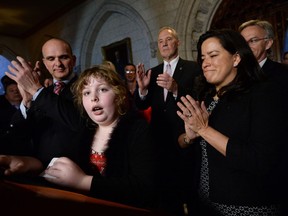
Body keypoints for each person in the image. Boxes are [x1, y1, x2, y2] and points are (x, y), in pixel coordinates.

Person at [0, 65, 158, 209]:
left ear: (118, 95)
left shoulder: (137, 129)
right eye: (86, 93)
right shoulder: (84, 129)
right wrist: (27, 164)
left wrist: (82, 181)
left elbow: (144, 187)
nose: (93, 97)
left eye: (102, 89)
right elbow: (61, 166)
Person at [177, 29, 285, 216]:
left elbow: (260, 161)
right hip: (204, 205)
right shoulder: (206, 97)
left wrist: (204, 129)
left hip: (247, 207)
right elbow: (183, 142)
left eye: (213, 55)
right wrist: (189, 137)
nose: (205, 63)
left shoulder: (262, 94)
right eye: (202, 58)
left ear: (236, 59)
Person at [134, 26, 201, 215]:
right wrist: (142, 90)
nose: (164, 44)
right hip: (159, 141)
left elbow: (198, 99)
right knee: (167, 194)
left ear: (177, 42)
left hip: (185, 139)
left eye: (168, 40)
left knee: (190, 191)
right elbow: (140, 105)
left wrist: (176, 89)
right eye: (161, 41)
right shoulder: (152, 72)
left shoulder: (193, 68)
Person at [4, 38, 88, 168]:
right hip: (40, 171)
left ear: (73, 59)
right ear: (44, 63)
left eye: (63, 57)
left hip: (75, 170)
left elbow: (78, 122)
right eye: (51, 59)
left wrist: (35, 89)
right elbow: (17, 136)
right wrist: (26, 100)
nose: (58, 63)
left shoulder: (87, 88)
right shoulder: (41, 93)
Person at [0, 75, 28, 154]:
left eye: (18, 89)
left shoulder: (30, 103)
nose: (16, 92)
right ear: (6, 94)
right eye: (11, 91)